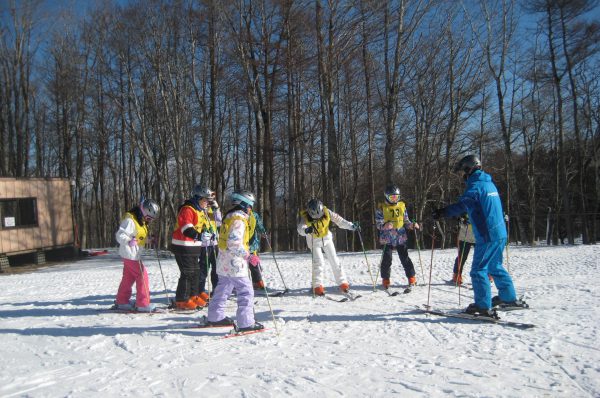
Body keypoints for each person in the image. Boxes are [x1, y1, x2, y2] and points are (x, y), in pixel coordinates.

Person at [432, 154, 519, 317]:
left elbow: (464, 204)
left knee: (478, 270)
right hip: (499, 233)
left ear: (469, 169)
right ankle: (508, 297)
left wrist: (443, 212)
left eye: (463, 172)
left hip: (488, 234)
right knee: (495, 266)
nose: (463, 176)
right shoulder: (489, 184)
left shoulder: (476, 186)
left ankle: (483, 306)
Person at [206, 190, 264, 332]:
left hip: (224, 262)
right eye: (250, 206)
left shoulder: (229, 216)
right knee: (246, 292)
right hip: (235, 264)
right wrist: (249, 256)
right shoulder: (239, 220)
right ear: (244, 205)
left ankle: (215, 316)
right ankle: (245, 323)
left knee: (223, 289)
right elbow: (234, 243)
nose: (251, 210)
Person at [297, 198, 359, 296]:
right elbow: (300, 228)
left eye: (319, 216)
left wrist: (351, 226)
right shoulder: (305, 217)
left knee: (335, 261)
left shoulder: (327, 212)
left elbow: (340, 220)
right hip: (314, 242)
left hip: (326, 239)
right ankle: (317, 286)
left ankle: (343, 283)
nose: (317, 218)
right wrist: (305, 230)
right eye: (314, 217)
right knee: (319, 262)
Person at [114, 198, 160, 312]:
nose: (149, 220)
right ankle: (143, 304)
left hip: (132, 254)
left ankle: (122, 301)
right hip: (129, 254)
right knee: (142, 275)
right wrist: (129, 240)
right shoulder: (130, 220)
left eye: (151, 219)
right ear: (144, 211)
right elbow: (120, 235)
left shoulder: (140, 220)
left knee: (128, 278)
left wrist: (148, 240)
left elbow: (138, 237)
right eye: (149, 217)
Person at [170, 186, 211, 310]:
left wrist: (207, 233)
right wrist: (199, 235)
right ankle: (182, 300)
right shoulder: (187, 209)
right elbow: (186, 228)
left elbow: (201, 226)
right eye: (205, 200)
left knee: (196, 272)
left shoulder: (200, 211)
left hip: (193, 246)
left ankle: (193, 295)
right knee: (187, 273)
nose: (207, 203)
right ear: (198, 198)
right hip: (182, 245)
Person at [375, 185, 420, 290]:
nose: (394, 199)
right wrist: (384, 226)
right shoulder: (381, 208)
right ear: (387, 197)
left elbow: (406, 220)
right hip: (387, 237)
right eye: (392, 197)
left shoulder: (401, 206)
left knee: (404, 257)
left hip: (400, 236)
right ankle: (385, 279)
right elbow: (378, 223)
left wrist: (412, 225)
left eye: (396, 197)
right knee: (387, 259)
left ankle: (411, 277)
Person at [195, 187, 222, 299]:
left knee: (216, 268)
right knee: (203, 269)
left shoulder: (211, 210)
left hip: (214, 243)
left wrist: (216, 209)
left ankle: (216, 289)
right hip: (204, 244)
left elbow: (219, 222)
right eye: (207, 199)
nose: (208, 202)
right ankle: (199, 290)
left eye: (210, 200)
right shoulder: (198, 210)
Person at [451, 214, 475, 285]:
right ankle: (457, 274)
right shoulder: (465, 204)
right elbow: (455, 214)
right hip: (465, 235)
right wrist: (461, 219)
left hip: (478, 236)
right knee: (462, 257)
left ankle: (485, 276)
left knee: (482, 257)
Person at [248, 211, 267, 290]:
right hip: (240, 244)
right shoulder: (238, 214)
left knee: (254, 263)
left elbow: (259, 225)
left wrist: (262, 231)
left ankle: (258, 281)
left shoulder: (254, 215)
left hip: (252, 244)